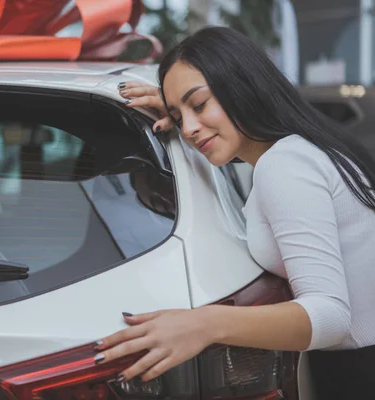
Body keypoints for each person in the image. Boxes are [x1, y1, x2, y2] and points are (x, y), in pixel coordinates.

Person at [92, 26, 375, 399]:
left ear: (242, 86)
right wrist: (188, 116)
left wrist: (204, 324)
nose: (189, 128)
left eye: (200, 104)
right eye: (178, 116)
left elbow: (331, 317)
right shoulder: (306, 149)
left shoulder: (285, 165)